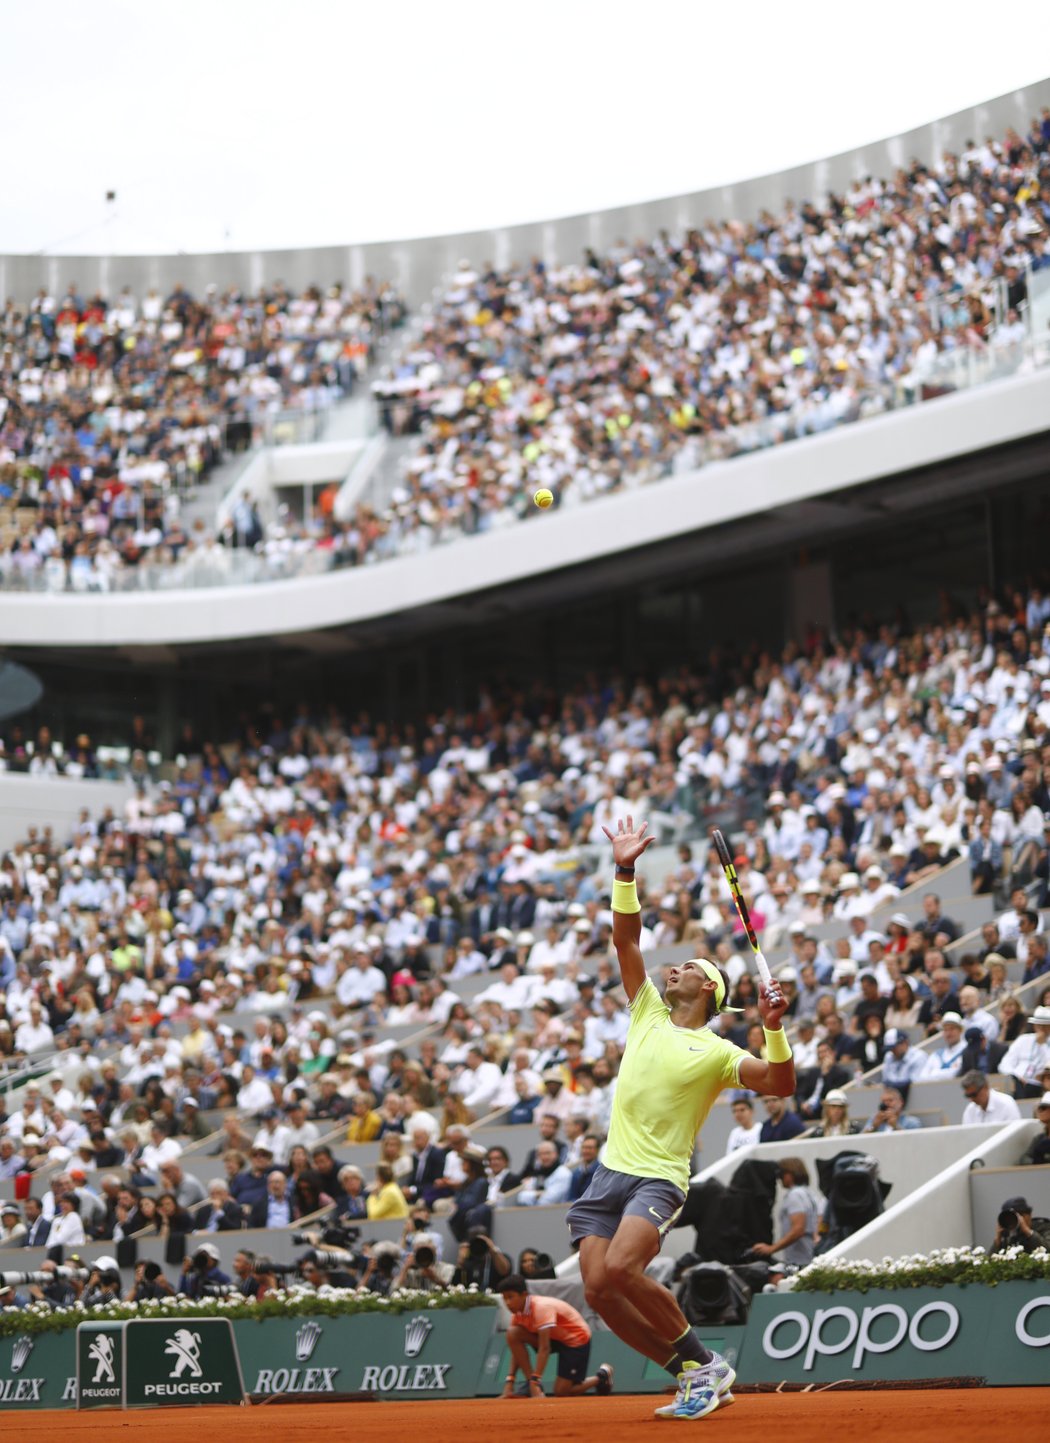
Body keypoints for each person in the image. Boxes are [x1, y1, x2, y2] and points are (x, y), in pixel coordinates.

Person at [567, 816, 795, 1421]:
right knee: (598, 1290)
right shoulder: (646, 1011)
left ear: (710, 988)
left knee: (622, 1268)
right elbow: (626, 940)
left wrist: (773, 1030)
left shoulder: (720, 1051)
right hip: (607, 1175)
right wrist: (624, 870)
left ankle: (708, 1361)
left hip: (658, 1177)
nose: (674, 969)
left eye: (689, 967)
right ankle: (694, 1373)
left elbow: (781, 1083)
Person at [497, 1274, 613, 1399]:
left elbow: (544, 1348)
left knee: (561, 1392)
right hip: (555, 1338)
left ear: (524, 1294)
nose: (507, 1303)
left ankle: (601, 1377)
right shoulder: (517, 1315)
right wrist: (510, 1381)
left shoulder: (541, 1308)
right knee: (513, 1333)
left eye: (510, 1297)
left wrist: (536, 1382)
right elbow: (516, 1350)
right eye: (504, 1298)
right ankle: (529, 1382)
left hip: (576, 1340)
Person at [749, 1157, 820, 1269]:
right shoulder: (809, 1194)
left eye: (781, 1174)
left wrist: (771, 1249)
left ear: (790, 1174)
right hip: (809, 1257)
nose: (779, 1179)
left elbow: (798, 1229)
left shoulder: (794, 1196)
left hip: (799, 1261)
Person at [1020, 1093, 1050, 1166]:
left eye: (1043, 1107)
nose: (1040, 1110)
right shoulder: (1039, 1138)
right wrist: (1038, 1161)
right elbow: (1024, 1159)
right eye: (1039, 1107)